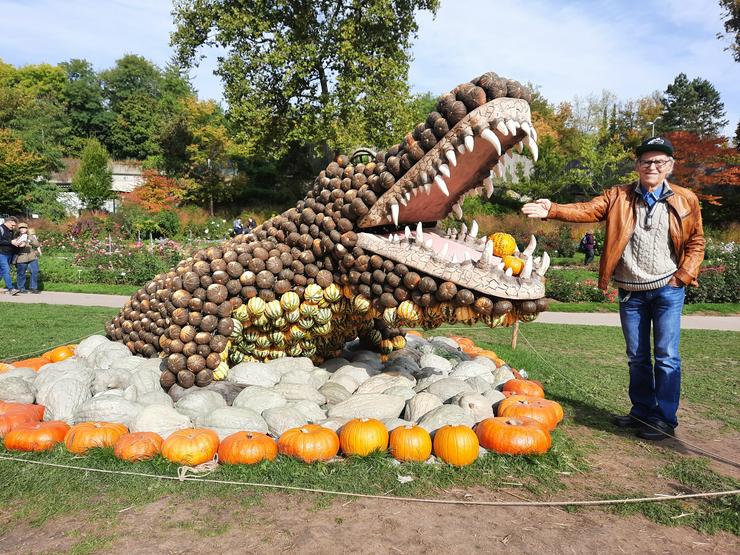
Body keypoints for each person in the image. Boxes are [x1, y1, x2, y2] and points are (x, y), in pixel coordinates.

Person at [522, 137, 705, 441]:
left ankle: (664, 419)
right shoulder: (619, 196)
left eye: (659, 161)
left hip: (668, 289)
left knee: (666, 355)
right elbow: (587, 209)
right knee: (636, 355)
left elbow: (697, 242)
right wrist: (552, 209)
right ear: (637, 166)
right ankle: (642, 412)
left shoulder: (686, 199)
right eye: (646, 161)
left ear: (669, 166)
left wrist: (683, 276)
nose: (652, 166)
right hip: (631, 291)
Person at [15, 223, 41, 294]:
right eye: (20, 228)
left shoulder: (30, 236)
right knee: (21, 273)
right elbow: (14, 246)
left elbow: (37, 244)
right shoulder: (16, 237)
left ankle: (33, 288)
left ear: (26, 229)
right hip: (21, 258)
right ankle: (21, 288)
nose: (22, 229)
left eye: (24, 228)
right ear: (19, 229)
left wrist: (30, 240)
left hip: (32, 257)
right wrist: (18, 243)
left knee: (35, 271)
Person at [0, 216, 20, 295]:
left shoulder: (10, 230)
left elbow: (11, 242)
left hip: (9, 254)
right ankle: (11, 289)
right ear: (9, 221)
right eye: (13, 225)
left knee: (1, 272)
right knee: (6, 270)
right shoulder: (0, 229)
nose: (14, 227)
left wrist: (17, 243)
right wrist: (11, 242)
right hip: (1, 254)